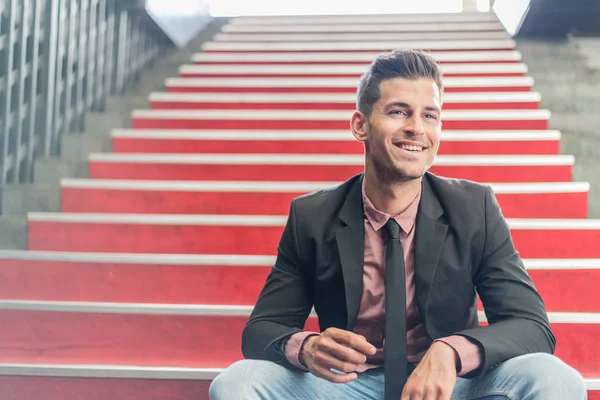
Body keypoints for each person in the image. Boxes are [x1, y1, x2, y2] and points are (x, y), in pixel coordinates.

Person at [209, 49, 587, 400]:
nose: (417, 128)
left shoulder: (474, 208)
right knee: (237, 383)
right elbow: (261, 330)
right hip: (347, 386)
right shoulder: (312, 216)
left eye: (430, 115)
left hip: (451, 383)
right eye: (398, 112)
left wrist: (452, 351)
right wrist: (306, 347)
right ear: (361, 125)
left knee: (554, 378)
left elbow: (531, 326)